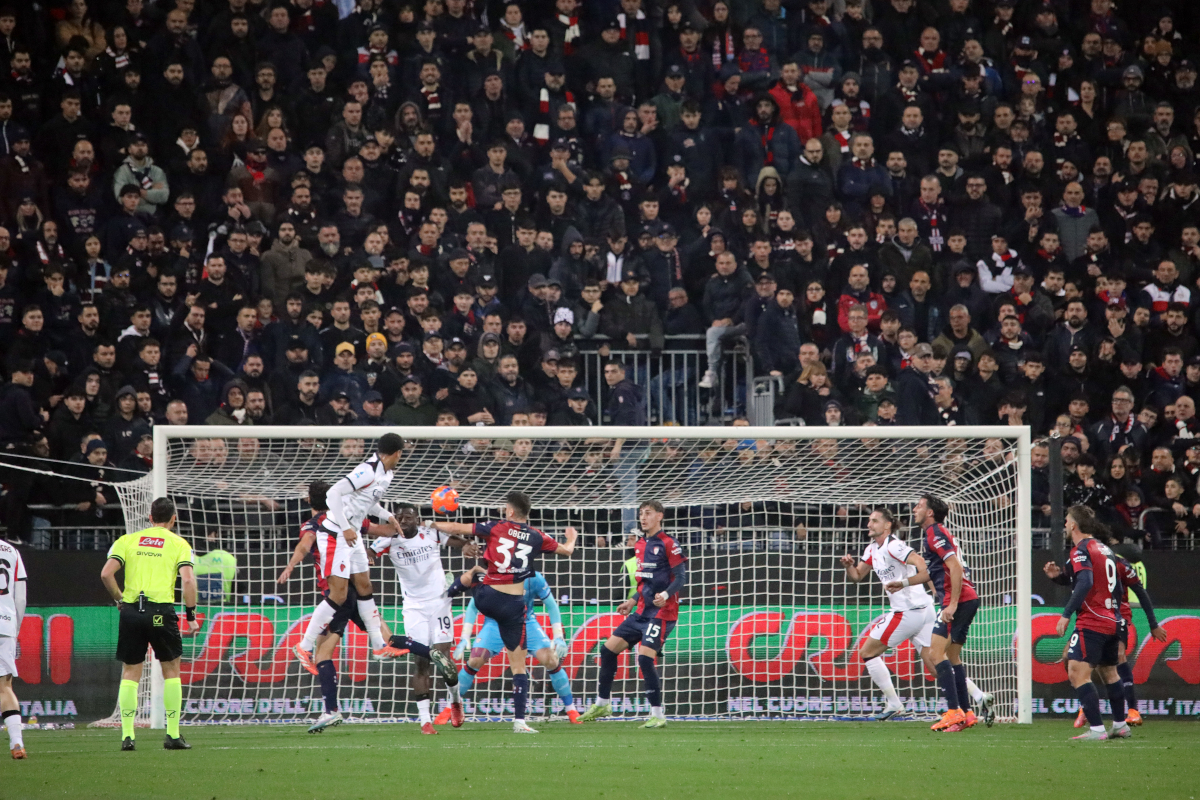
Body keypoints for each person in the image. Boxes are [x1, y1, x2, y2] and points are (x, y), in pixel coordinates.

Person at [431, 491, 577, 733]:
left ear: (510, 511)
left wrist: (431, 523)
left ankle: (446, 593)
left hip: (500, 606)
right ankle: (512, 720)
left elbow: (460, 527)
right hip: (507, 610)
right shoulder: (536, 537)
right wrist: (571, 537)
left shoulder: (498, 531)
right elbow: (567, 551)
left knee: (477, 571)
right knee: (504, 664)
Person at [293, 433, 407, 669]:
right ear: (397, 453)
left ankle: (378, 646)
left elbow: (366, 501)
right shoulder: (367, 470)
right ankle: (303, 646)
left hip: (351, 535)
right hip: (336, 534)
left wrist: (388, 516)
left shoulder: (387, 474)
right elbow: (333, 493)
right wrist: (345, 527)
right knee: (339, 595)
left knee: (365, 586)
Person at [99, 497, 199, 751]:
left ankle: (128, 736)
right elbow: (187, 581)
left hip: (132, 610)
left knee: (131, 672)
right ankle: (173, 735)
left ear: (150, 517)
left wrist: (120, 600)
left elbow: (106, 573)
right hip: (161, 611)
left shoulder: (128, 540)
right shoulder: (178, 543)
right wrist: (190, 615)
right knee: (172, 670)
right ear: (173, 519)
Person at [579, 500, 687, 727]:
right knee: (607, 650)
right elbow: (645, 583)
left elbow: (681, 578)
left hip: (662, 613)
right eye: (641, 513)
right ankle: (602, 703)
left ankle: (657, 715)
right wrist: (632, 600)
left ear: (660, 516)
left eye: (648, 513)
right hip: (640, 612)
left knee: (645, 659)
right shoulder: (639, 545)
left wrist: (666, 595)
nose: (643, 517)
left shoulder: (669, 544)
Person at [369, 503, 476, 734]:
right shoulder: (388, 539)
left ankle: (455, 702)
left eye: (408, 516)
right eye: (399, 517)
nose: (403, 520)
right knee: (420, 661)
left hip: (440, 602)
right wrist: (367, 556)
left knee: (444, 657)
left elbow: (457, 541)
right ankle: (425, 720)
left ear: (417, 519)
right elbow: (370, 551)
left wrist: (466, 545)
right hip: (413, 608)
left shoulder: (431, 533)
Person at [439, 566, 579, 725]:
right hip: (494, 624)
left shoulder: (534, 577)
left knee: (550, 659)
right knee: (475, 659)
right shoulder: (493, 575)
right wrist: (465, 636)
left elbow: (552, 605)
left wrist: (559, 636)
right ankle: (450, 708)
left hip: (526, 622)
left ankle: (571, 709)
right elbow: (473, 605)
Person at [839, 508, 939, 722]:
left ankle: (894, 704)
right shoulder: (872, 549)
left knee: (867, 652)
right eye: (868, 521)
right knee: (936, 664)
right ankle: (978, 697)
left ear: (887, 525)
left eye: (874, 521)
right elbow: (857, 576)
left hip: (908, 611)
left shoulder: (894, 545)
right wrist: (849, 566)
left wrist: (935, 588)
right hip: (924, 609)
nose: (869, 524)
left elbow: (922, 563)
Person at [1042, 506, 1131, 741]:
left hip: (1092, 621)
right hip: (1112, 619)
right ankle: (1121, 725)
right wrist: (1058, 577)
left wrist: (1067, 613)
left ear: (1073, 525)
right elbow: (1117, 587)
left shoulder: (1080, 549)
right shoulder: (1104, 549)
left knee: (1076, 672)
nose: (1064, 525)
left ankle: (1097, 729)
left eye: (1067, 521)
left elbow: (1085, 582)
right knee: (1109, 672)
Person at [1072, 537, 1167, 729]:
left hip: (1117, 615)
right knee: (1074, 658)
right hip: (1093, 617)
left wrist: (1153, 623)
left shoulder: (1118, 562)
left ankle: (1131, 711)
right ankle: (1088, 707)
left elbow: (1140, 591)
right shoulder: (1086, 559)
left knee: (1117, 658)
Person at [912, 493, 981, 733]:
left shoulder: (935, 533)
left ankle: (953, 712)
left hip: (959, 601)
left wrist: (950, 604)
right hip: (968, 599)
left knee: (935, 653)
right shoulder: (935, 534)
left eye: (919, 506)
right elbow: (933, 572)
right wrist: (902, 583)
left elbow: (955, 566)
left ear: (930, 512)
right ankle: (967, 712)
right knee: (952, 656)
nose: (914, 509)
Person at [0, 536, 27, 759]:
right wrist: (14, 628)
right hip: (5, 624)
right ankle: (17, 744)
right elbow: (20, 597)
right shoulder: (12, 551)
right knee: (4, 687)